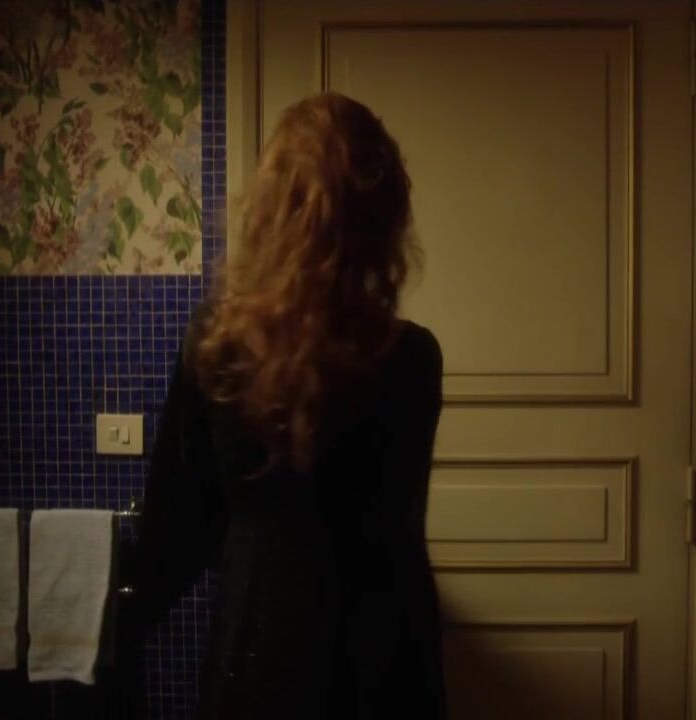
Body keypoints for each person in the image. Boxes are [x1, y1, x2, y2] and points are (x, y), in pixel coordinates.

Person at [122, 92, 447, 719]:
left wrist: (116, 629)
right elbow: (400, 526)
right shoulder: (413, 359)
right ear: (385, 215)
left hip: (262, 650)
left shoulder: (218, 346)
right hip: (386, 662)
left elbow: (176, 533)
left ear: (270, 210)